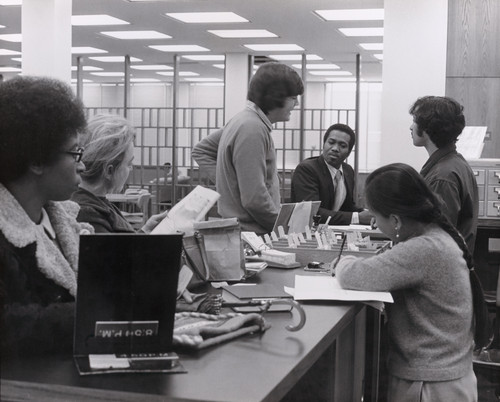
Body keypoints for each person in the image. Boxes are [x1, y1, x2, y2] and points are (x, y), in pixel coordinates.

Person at [336, 163, 490, 402]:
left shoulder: (423, 249)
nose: (375, 224)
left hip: (430, 385)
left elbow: (352, 275)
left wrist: (342, 261)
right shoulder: (436, 234)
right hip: (445, 378)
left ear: (396, 220)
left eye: (375, 216)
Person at [0, 76, 93, 357]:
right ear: (37, 161)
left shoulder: (64, 223)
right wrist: (103, 312)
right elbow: (10, 327)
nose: (83, 165)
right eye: (75, 153)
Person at [216, 62, 304, 234]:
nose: (297, 104)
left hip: (245, 232)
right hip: (251, 235)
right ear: (275, 97)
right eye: (293, 98)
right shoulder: (252, 128)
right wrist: (285, 229)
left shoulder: (244, 121)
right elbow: (254, 199)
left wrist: (231, 182)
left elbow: (203, 149)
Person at [71, 114, 167, 233]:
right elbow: (117, 251)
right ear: (109, 171)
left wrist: (145, 230)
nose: (130, 169)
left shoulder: (95, 202)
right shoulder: (88, 215)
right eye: (128, 164)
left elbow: (118, 247)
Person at [409, 95, 479, 253]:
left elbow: (436, 240)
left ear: (427, 128)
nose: (411, 127)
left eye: (414, 120)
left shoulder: (443, 176)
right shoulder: (454, 163)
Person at [290, 123, 373, 225]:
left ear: (349, 151)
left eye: (342, 146)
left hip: (332, 233)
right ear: (324, 144)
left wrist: (369, 214)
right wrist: (357, 217)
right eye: (331, 142)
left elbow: (347, 207)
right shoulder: (307, 169)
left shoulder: (348, 171)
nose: (335, 148)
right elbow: (311, 212)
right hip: (305, 233)